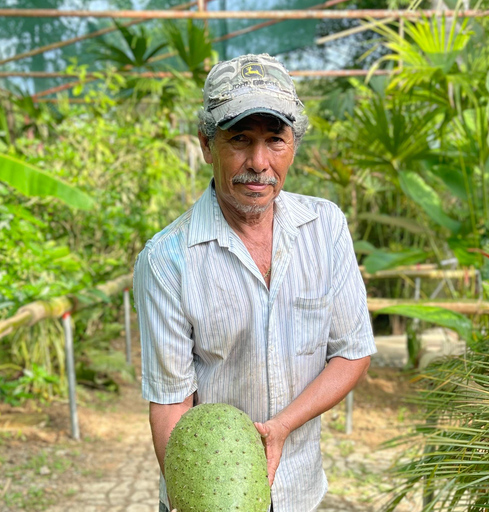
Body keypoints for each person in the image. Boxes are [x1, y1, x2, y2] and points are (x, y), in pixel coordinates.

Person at [134, 53, 376, 512]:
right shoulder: (167, 259)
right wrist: (200, 499)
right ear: (207, 145)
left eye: (275, 140)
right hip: (208, 494)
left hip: (299, 487)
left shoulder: (325, 227)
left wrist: (282, 426)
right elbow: (170, 403)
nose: (259, 162)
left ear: (294, 145)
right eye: (240, 139)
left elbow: (353, 351)